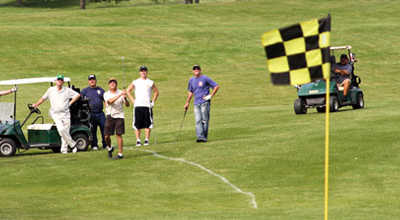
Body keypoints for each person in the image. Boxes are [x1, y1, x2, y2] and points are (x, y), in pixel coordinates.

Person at [32, 74, 80, 154]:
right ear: (55, 81)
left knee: (65, 132)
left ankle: (64, 150)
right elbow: (43, 98)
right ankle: (73, 145)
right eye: (58, 80)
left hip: (65, 114)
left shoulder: (67, 90)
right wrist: (36, 104)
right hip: (55, 114)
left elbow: (77, 95)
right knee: (61, 129)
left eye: (61, 80)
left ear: (63, 82)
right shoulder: (51, 90)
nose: (59, 81)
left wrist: (70, 103)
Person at [184, 65, 220, 142]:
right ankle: (200, 136)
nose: (196, 70)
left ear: (200, 70)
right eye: (194, 69)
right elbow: (190, 92)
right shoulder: (191, 80)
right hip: (196, 103)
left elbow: (216, 86)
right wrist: (187, 102)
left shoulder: (205, 78)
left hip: (204, 102)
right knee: (198, 120)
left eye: (197, 69)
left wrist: (210, 95)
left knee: (205, 120)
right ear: (193, 71)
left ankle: (204, 136)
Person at [127, 65, 159, 147]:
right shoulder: (136, 82)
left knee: (147, 123)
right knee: (137, 123)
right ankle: (138, 140)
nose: (143, 72)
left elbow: (156, 92)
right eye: (142, 71)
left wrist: (153, 102)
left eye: (144, 71)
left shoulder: (150, 82)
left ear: (147, 72)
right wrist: (133, 100)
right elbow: (128, 91)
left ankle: (146, 139)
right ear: (139, 72)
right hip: (138, 105)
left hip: (147, 105)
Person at [104, 78, 130, 160]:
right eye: (111, 82)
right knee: (106, 136)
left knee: (119, 134)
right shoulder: (106, 94)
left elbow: (127, 105)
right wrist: (120, 95)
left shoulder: (121, 93)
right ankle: (110, 147)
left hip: (119, 116)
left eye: (114, 82)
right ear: (109, 85)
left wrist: (125, 98)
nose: (112, 84)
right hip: (110, 115)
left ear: (116, 84)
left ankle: (120, 154)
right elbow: (109, 102)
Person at [81, 74, 107, 151]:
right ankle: (94, 145)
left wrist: (107, 109)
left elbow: (105, 100)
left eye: (93, 79)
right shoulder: (85, 91)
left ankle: (105, 144)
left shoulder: (100, 90)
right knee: (93, 130)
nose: (92, 81)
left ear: (95, 80)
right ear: (88, 81)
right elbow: (79, 98)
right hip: (91, 113)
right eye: (90, 79)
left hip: (100, 113)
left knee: (104, 129)